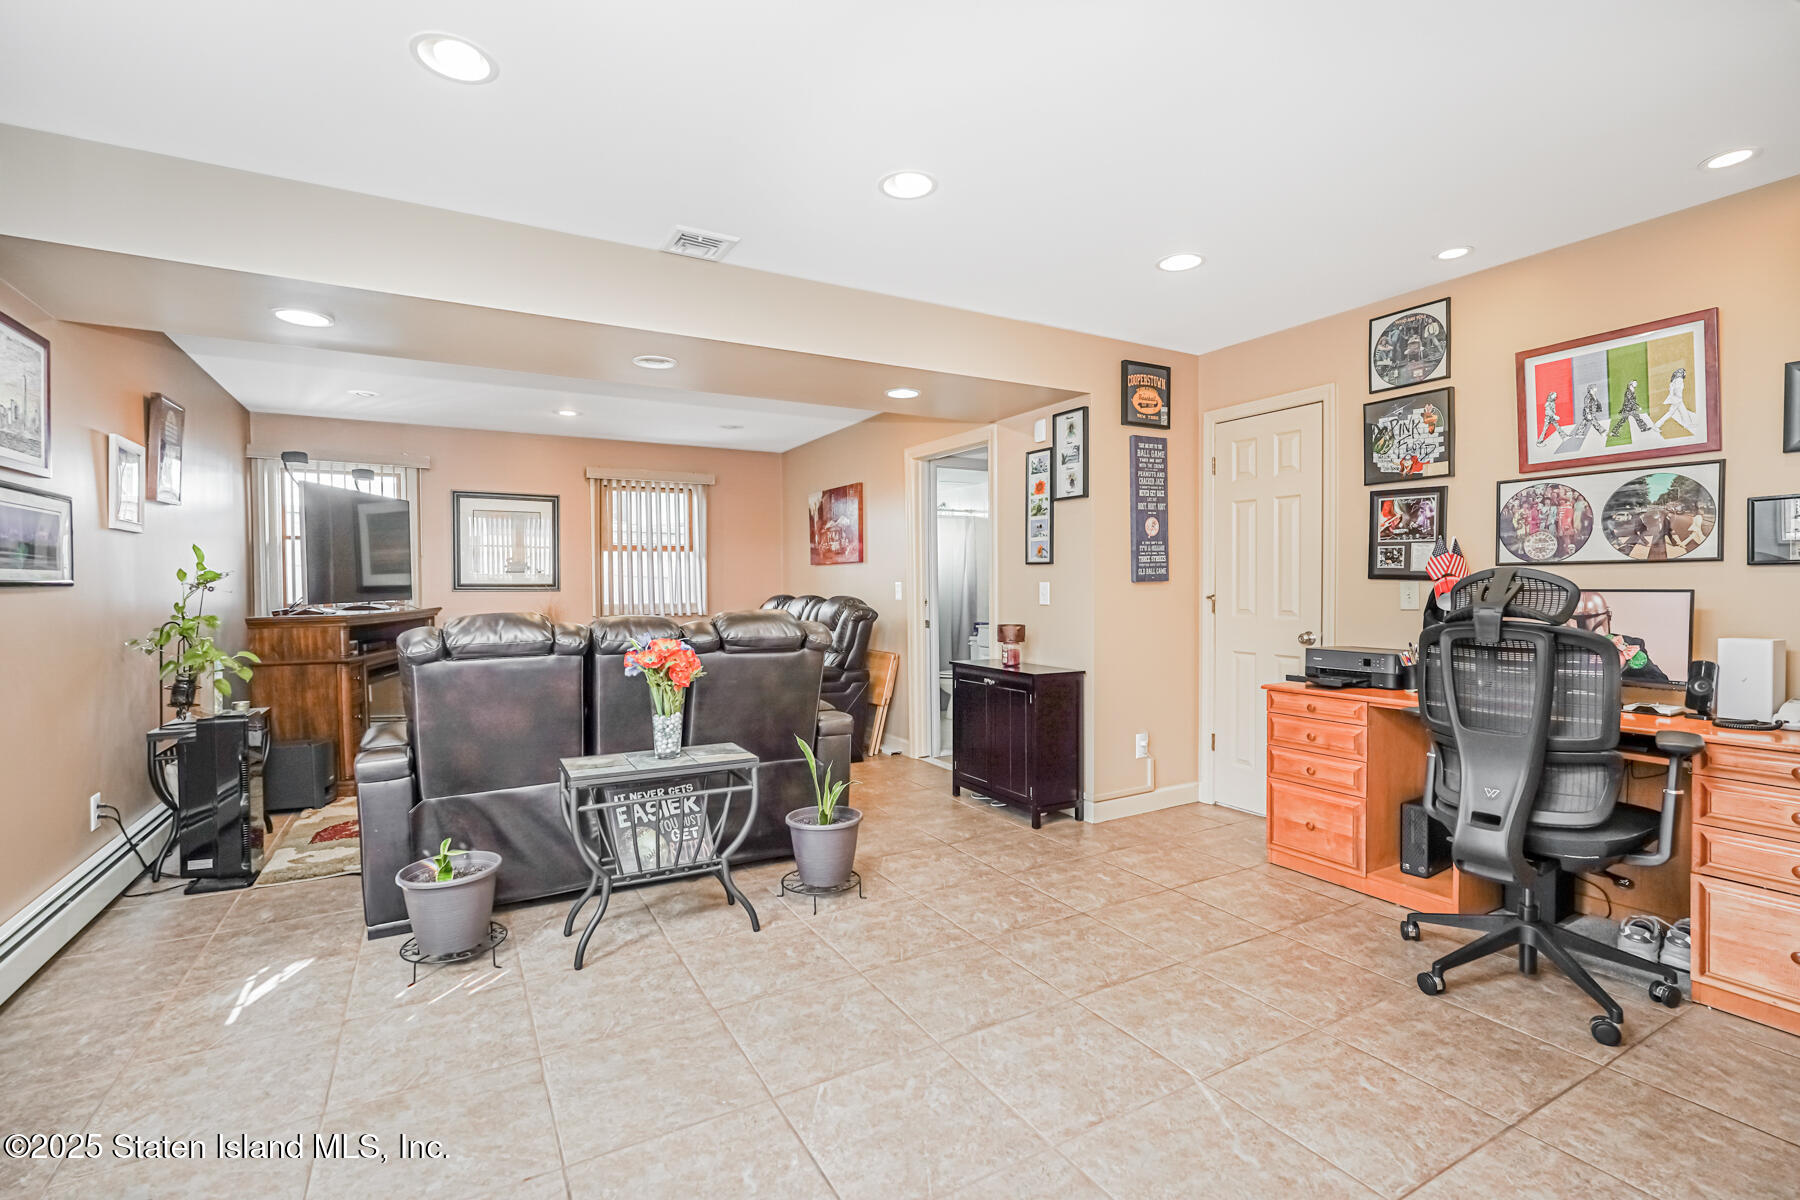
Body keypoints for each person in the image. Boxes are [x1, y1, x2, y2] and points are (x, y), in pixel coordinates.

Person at [1571, 592, 1670, 683]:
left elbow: (1662, 682)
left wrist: (1633, 662)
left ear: (1608, 617)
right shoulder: (1565, 646)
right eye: (1581, 620)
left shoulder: (1631, 644)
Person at [1655, 367, 1697, 436]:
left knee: (1683, 411)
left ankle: (1687, 424)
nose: (1685, 373)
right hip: (1677, 399)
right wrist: (1678, 397)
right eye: (1684, 372)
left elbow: (1671, 389)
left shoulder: (1674, 380)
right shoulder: (1679, 380)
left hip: (1677, 399)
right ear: (1682, 373)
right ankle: (1656, 425)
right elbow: (1677, 389)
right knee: (1670, 413)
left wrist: (1674, 397)